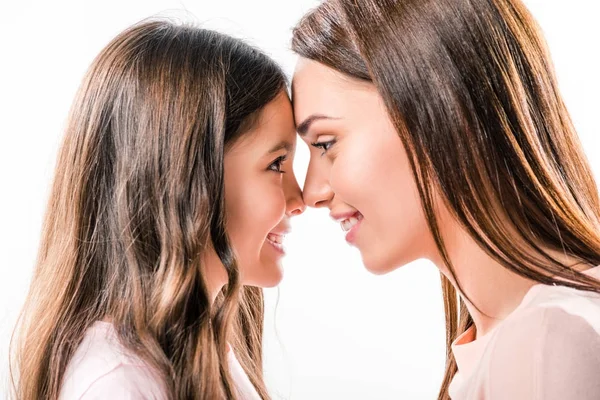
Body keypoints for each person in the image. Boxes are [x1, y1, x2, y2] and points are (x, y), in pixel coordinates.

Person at [291, 0, 600, 398]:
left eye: (326, 143)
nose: (312, 191)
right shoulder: (511, 338)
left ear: (442, 111)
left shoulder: (547, 338)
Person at [11, 19, 305, 400]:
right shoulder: (119, 382)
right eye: (277, 164)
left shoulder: (204, 356)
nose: (302, 199)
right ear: (188, 180)